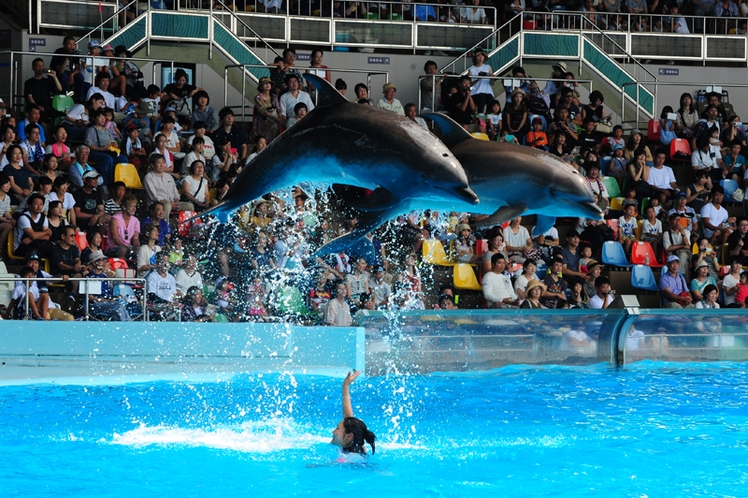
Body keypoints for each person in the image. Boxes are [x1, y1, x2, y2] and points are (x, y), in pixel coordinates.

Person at [331, 370, 376, 455]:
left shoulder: (347, 458)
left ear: (349, 436)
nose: (333, 431)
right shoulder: (357, 446)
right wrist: (345, 386)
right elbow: (348, 418)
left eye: (337, 428)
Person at [144, 153, 192, 219]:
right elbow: (154, 196)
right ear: (152, 165)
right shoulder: (148, 177)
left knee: (189, 206)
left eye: (163, 163)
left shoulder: (168, 176)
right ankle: (165, 227)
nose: (161, 165)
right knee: (167, 206)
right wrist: (169, 203)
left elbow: (175, 191)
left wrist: (177, 199)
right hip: (157, 204)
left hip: (173, 203)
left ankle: (185, 227)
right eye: (159, 163)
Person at [252, 77, 285, 144]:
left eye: (269, 83)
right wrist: (276, 119)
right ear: (261, 87)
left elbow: (278, 108)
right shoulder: (258, 98)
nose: (267, 85)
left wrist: (280, 117)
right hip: (263, 120)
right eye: (265, 84)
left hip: (275, 118)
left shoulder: (274, 96)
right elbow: (263, 111)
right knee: (275, 125)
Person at [467, 49, 494, 114]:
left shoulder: (488, 67)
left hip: (488, 92)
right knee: (482, 97)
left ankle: (488, 117)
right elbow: (469, 84)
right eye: (478, 56)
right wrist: (478, 79)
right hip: (475, 92)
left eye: (482, 55)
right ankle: (480, 116)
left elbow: (492, 84)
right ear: (475, 58)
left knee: (490, 98)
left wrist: (492, 78)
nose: (480, 57)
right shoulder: (471, 70)